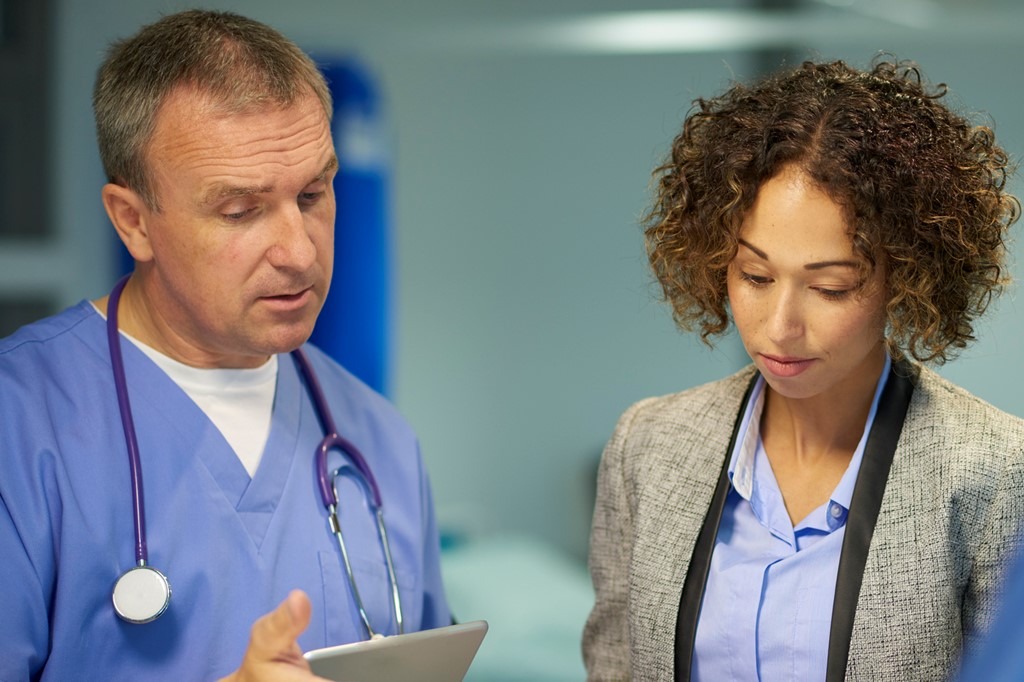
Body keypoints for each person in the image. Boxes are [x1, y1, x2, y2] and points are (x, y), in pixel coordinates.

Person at [0, 10, 451, 680]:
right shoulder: (21, 423)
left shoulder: (376, 439)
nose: (299, 252)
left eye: (313, 194)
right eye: (240, 211)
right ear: (134, 222)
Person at [582, 57, 1024, 681]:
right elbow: (615, 667)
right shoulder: (648, 445)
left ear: (909, 278)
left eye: (832, 287)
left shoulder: (997, 473)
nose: (780, 325)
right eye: (755, 277)